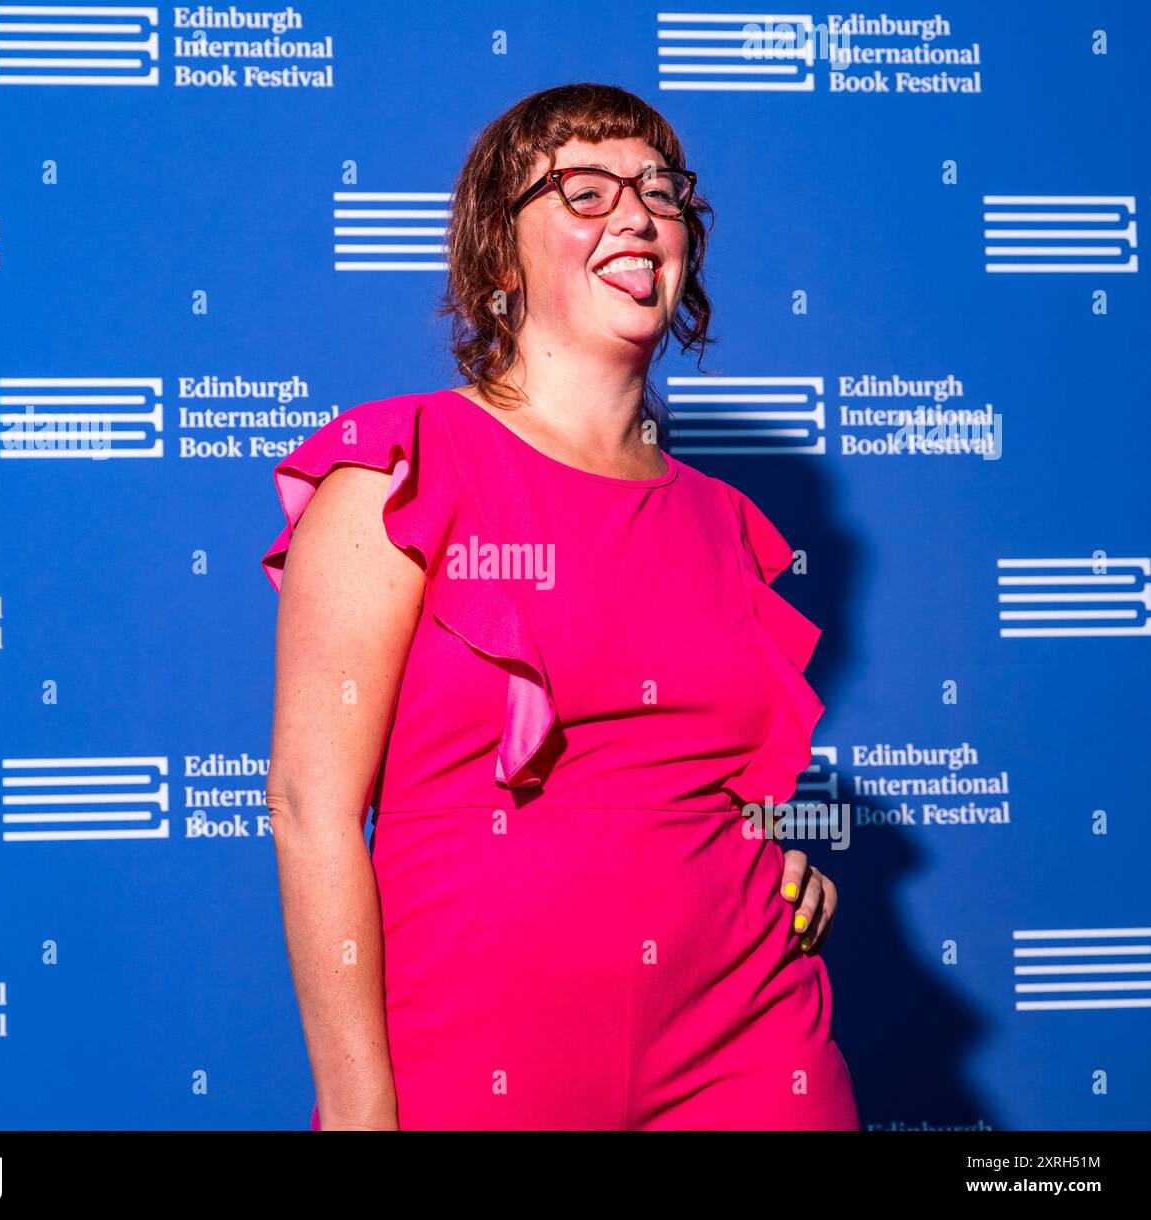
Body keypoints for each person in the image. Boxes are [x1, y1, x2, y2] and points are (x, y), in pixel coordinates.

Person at [261, 82, 859, 1131]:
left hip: (748, 1034)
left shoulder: (726, 522)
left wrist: (777, 860)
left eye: (658, 192)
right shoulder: (401, 467)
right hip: (474, 1043)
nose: (633, 213)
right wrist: (359, 1103)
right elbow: (312, 804)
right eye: (583, 191)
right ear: (500, 255)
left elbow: (689, 785)